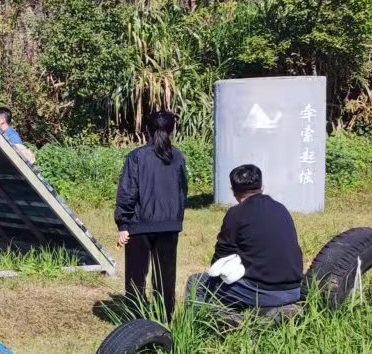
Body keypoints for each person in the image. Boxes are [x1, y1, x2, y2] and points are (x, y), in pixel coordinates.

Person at [194, 165, 304, 310]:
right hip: (294, 289)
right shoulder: (281, 208)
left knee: (197, 283)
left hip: (264, 292)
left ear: (234, 192)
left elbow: (221, 256)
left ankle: (214, 327)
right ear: (262, 187)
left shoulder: (236, 214)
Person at [113, 110, 187, 320]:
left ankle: (135, 320)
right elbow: (183, 190)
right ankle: (165, 319)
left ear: (147, 129)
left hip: (140, 225)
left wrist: (123, 223)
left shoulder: (137, 156)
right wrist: (176, 218)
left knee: (136, 276)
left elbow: (128, 191)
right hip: (169, 225)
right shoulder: (178, 156)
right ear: (172, 130)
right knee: (166, 276)